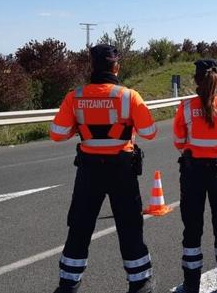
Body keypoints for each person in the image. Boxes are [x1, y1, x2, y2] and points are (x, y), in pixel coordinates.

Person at [49, 44, 157, 293]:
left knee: (80, 226)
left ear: (93, 66)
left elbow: (56, 134)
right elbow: (150, 133)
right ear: (116, 67)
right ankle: (139, 283)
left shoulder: (74, 96)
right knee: (129, 226)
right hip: (122, 169)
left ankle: (68, 284)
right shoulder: (129, 96)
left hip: (88, 171)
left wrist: (80, 126)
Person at [172, 59, 217, 293]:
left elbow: (179, 142)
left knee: (192, 230)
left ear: (196, 80)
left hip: (192, 174)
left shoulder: (184, 108)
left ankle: (191, 286)